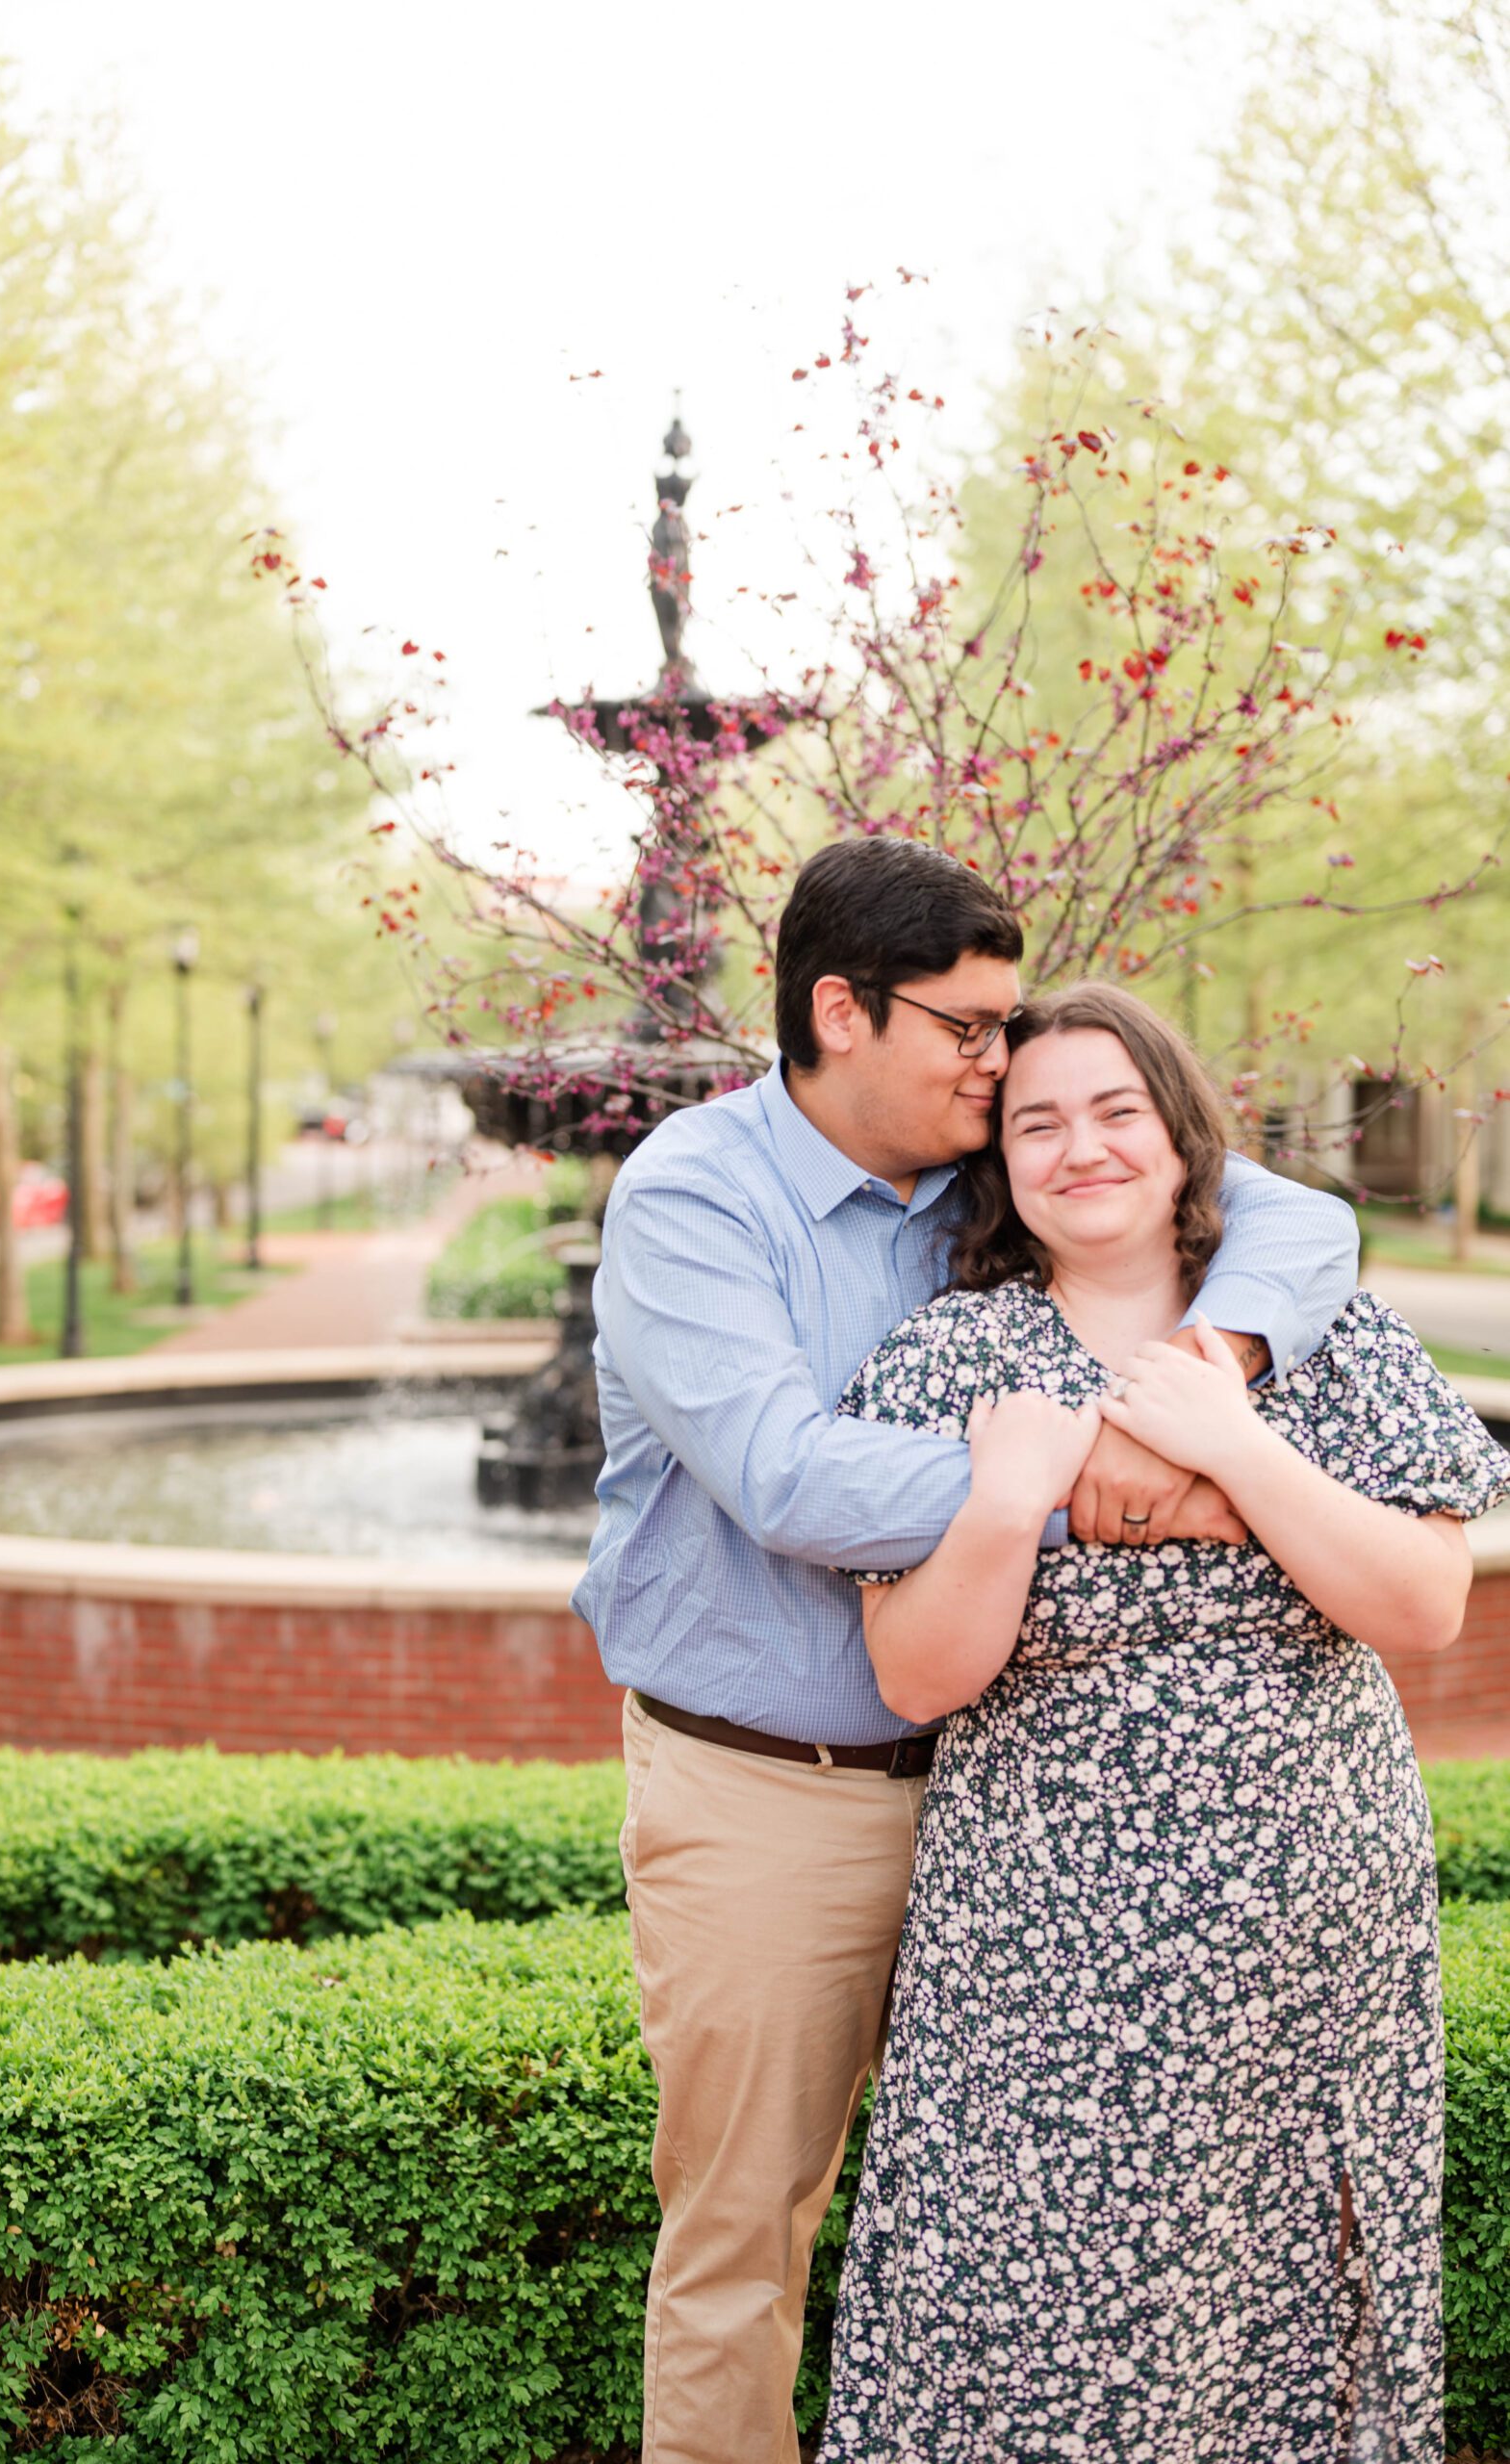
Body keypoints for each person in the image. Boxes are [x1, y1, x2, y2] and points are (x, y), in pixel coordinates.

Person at [576, 835, 1361, 2464]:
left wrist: (1214, 1361)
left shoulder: (991, 1164)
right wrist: (1116, 1481)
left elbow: (1296, 1213)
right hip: (779, 1794)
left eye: (1012, 1030)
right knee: (747, 2235)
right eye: (972, 1029)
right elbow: (789, 1479)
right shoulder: (692, 1197)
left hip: (1022, 1805)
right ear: (842, 1013)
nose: (1004, 1064)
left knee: (1041, 2233)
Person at [817, 983, 1510, 2464]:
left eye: (1118, 1111)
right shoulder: (950, 1361)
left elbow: (1425, 1607)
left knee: (1282, 2303)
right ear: (999, 1162)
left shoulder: (1326, 1333)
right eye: (1038, 1122)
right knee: (1025, 2287)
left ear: (1185, 1137)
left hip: (1304, 1950)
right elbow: (916, 1679)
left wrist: (1238, 1448)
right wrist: (1006, 1498)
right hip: (1043, 1959)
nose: (1084, 1149)